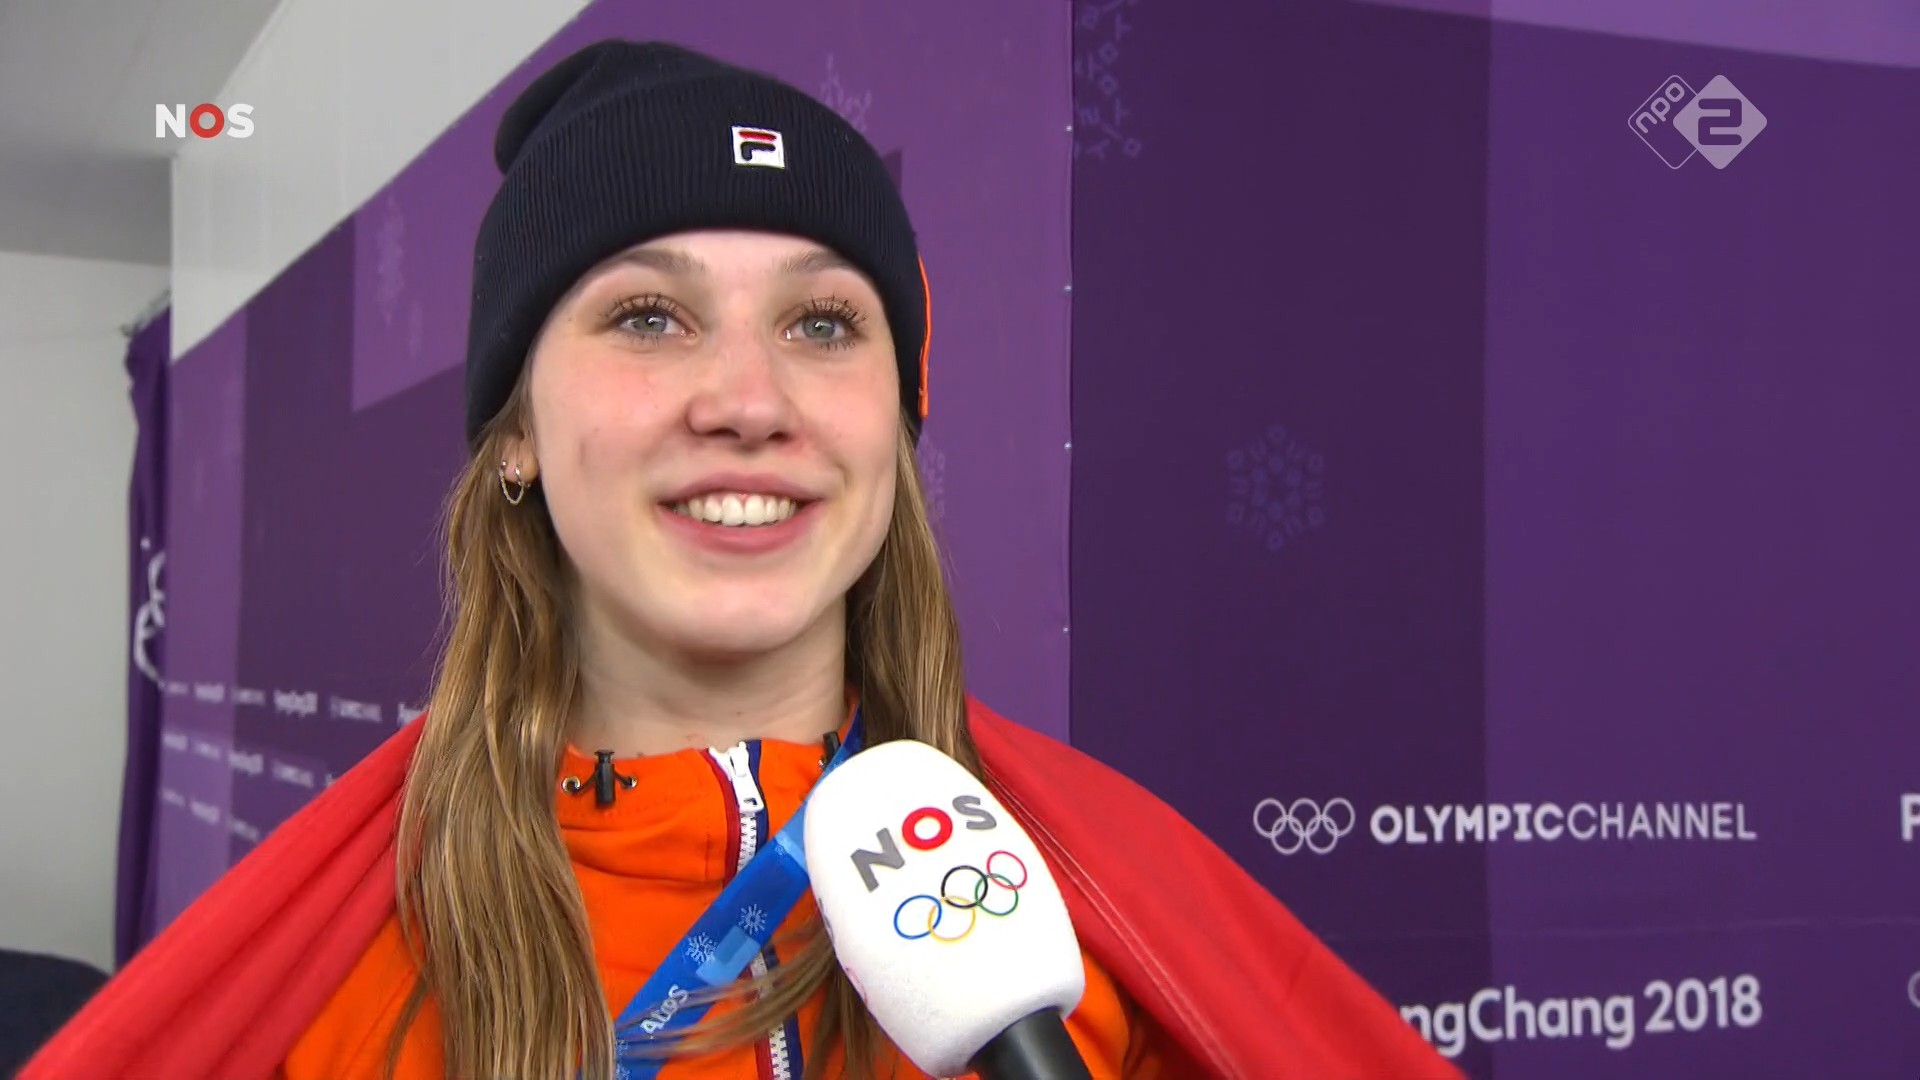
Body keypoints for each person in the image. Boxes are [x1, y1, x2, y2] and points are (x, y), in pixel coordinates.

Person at [22, 39, 1462, 1080]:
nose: (749, 400)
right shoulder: (331, 981)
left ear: (896, 421)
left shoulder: (1099, 915)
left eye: (823, 323)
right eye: (648, 317)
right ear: (515, 433)